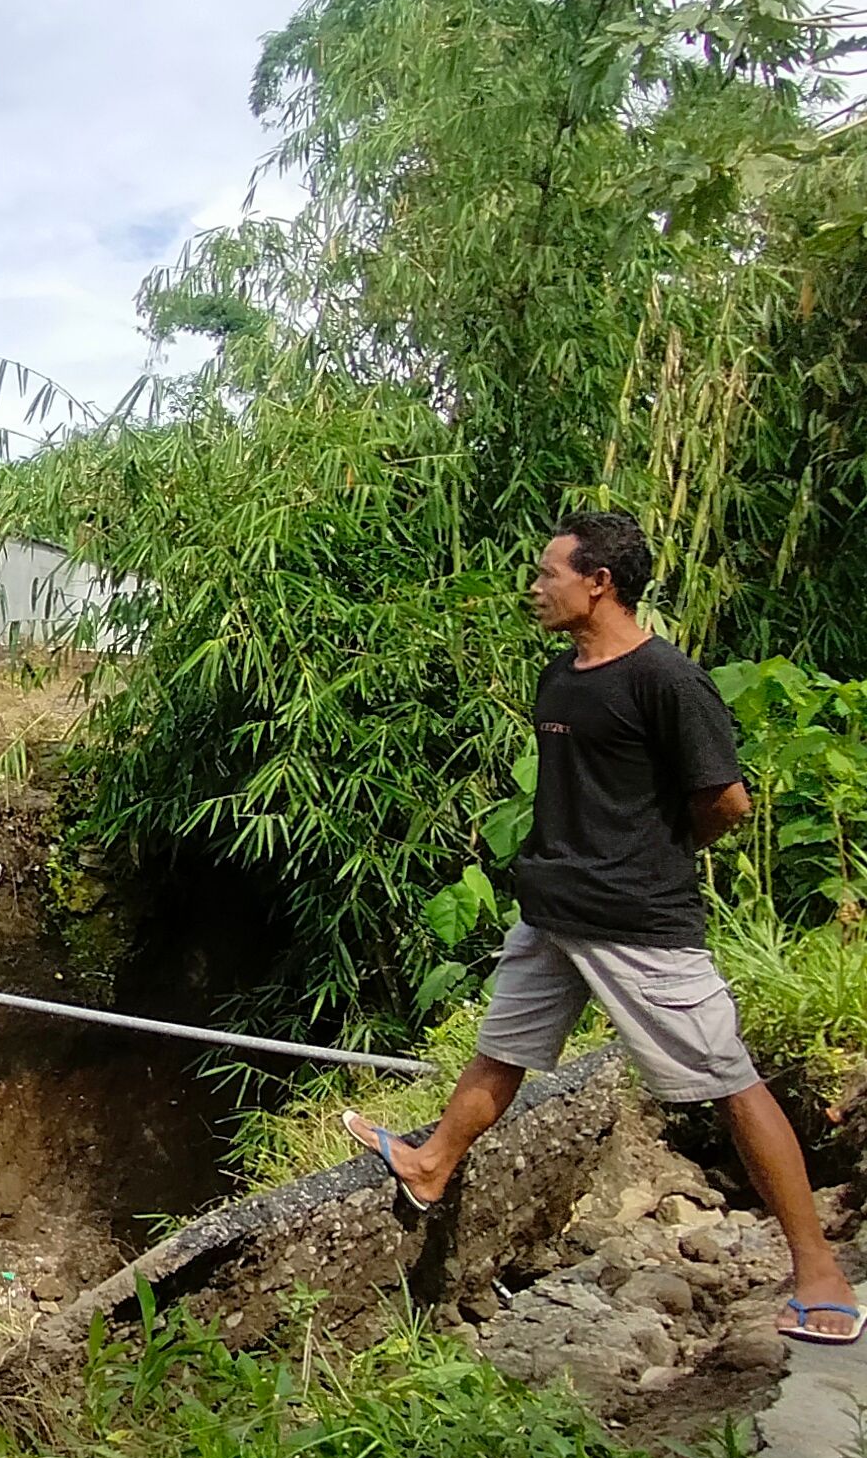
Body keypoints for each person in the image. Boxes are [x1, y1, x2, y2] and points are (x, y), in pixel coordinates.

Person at [347, 510, 858, 1344]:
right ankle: (431, 1165)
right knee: (503, 1049)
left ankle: (819, 1271)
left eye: (548, 573)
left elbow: (727, 802)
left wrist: (645, 859)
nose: (535, 587)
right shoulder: (562, 675)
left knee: (728, 1080)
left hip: (637, 925)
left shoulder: (668, 681)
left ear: (599, 582)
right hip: (553, 912)